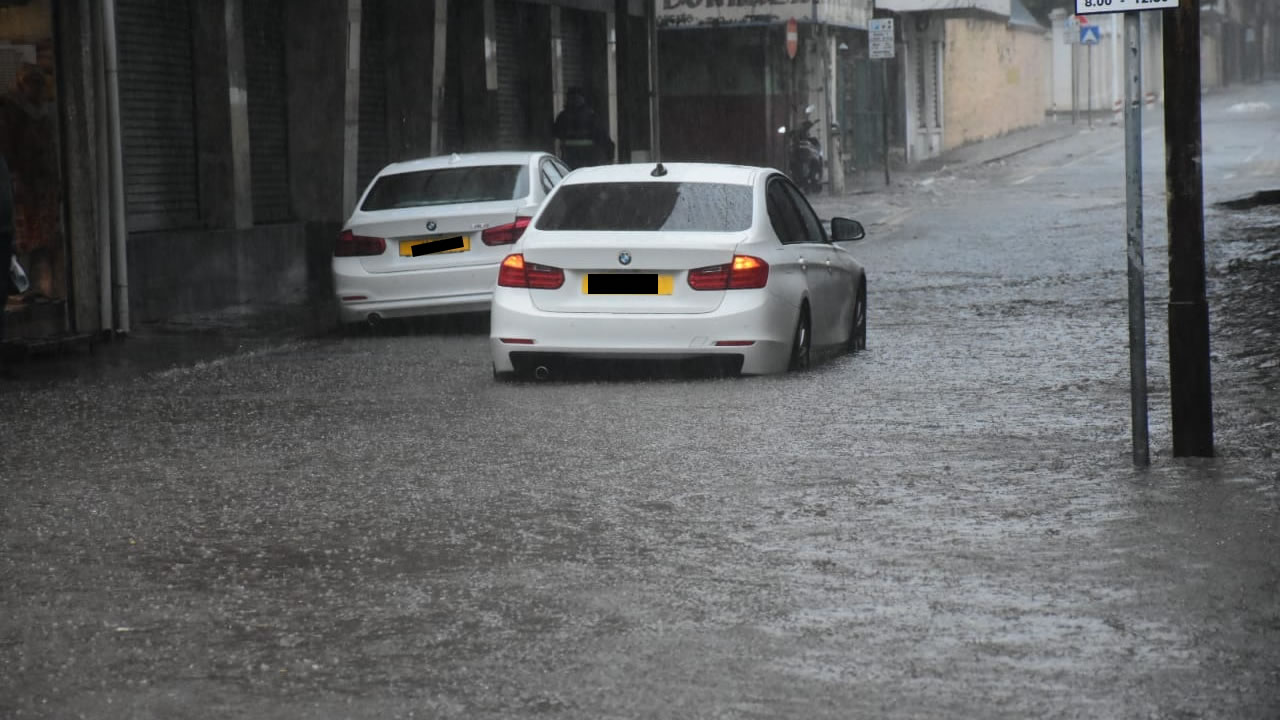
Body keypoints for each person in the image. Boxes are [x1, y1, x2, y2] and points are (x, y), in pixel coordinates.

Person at [553, 87, 613, 170]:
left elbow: (556, 133)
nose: (574, 100)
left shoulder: (563, 116)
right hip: (587, 159)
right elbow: (602, 136)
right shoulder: (590, 115)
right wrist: (609, 155)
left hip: (570, 159)